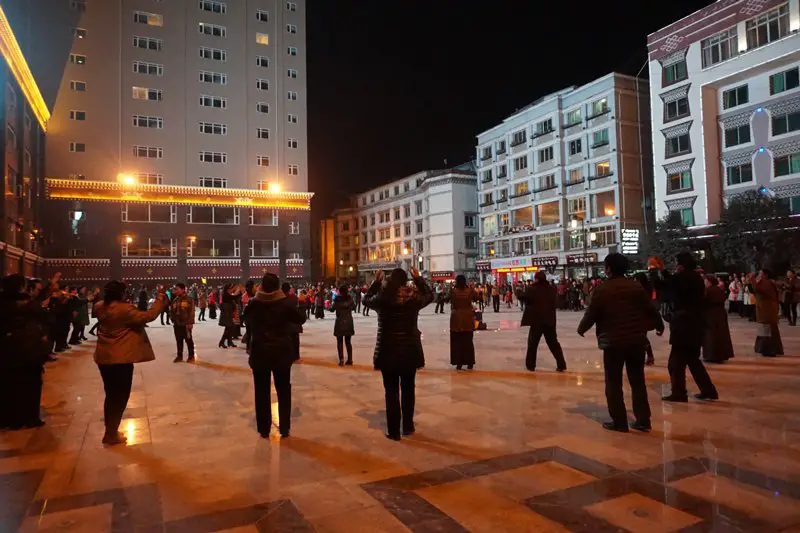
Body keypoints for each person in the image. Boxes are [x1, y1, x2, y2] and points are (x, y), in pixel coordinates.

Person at [578, 254, 664, 432]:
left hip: (613, 341)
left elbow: (591, 313)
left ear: (609, 268)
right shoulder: (636, 287)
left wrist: (582, 328)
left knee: (613, 382)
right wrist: (659, 325)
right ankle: (643, 420)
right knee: (637, 380)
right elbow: (650, 308)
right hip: (636, 340)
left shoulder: (603, 289)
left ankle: (619, 421)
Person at [93, 281, 166, 445]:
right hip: (121, 357)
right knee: (121, 395)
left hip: (104, 356)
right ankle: (111, 433)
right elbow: (148, 316)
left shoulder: (99, 306)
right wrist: (160, 298)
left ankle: (110, 431)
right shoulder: (124, 309)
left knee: (110, 394)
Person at [364, 268, 433, 440]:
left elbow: (365, 300)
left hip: (387, 351)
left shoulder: (383, 299)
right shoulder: (413, 299)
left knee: (391, 391)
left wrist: (376, 282)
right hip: (409, 351)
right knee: (408, 389)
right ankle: (408, 426)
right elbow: (430, 296)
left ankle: (394, 431)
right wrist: (418, 279)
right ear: (405, 281)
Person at [245, 273, 307, 438]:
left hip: (260, 353)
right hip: (281, 352)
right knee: (283, 390)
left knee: (261, 391)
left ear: (262, 286)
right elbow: (301, 319)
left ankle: (264, 428)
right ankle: (284, 427)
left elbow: (246, 321)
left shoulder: (253, 304)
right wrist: (300, 302)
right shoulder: (285, 304)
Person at [662, 252, 719, 402]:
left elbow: (665, 286)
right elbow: (672, 282)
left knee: (675, 362)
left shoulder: (684, 278)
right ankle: (708, 390)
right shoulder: (696, 279)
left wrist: (656, 271)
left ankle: (679, 392)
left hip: (683, 326)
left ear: (681, 265)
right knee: (693, 361)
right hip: (695, 325)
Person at [0, 274, 52, 430]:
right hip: (29, 352)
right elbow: (46, 318)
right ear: (21, 287)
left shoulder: (3, 304)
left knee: (9, 385)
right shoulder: (29, 305)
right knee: (31, 384)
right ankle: (30, 417)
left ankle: (10, 419)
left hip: (7, 352)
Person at [516, 271, 567, 372]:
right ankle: (561, 364)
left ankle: (530, 365)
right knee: (553, 343)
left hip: (537, 321)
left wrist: (518, 290)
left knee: (532, 344)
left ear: (537, 279)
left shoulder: (532, 289)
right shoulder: (551, 289)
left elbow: (523, 297)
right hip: (550, 321)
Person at [446, 275, 476, 370]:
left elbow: (446, 299)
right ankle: (470, 362)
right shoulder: (470, 291)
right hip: (468, 317)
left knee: (457, 342)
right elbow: (478, 298)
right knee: (468, 341)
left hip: (456, 318)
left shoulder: (453, 291)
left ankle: (459, 362)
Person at [702, 275, 734, 363]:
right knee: (721, 334)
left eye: (705, 281)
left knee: (711, 335)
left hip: (711, 314)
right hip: (720, 314)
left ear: (709, 281)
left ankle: (711, 355)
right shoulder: (719, 289)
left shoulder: (708, 290)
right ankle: (721, 355)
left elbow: (703, 301)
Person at [754, 269, 783, 357]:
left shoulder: (767, 283)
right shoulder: (767, 283)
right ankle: (770, 349)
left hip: (767, 311)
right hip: (766, 310)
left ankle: (769, 350)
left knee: (767, 330)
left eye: (760, 273)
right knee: (767, 329)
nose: (759, 275)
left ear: (766, 275)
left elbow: (758, 289)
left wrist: (752, 280)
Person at [170, 283, 196, 363]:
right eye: (175, 289)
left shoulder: (189, 300)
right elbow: (171, 311)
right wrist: (173, 320)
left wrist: (190, 323)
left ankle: (191, 356)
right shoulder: (175, 300)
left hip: (186, 324)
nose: (176, 291)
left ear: (183, 289)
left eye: (177, 289)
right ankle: (179, 356)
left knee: (188, 340)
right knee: (179, 340)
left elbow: (191, 312)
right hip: (177, 324)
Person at [331, 284, 355, 366]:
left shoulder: (337, 300)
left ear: (340, 292)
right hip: (348, 321)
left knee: (340, 341)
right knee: (348, 342)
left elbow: (331, 309)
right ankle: (350, 359)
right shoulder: (350, 299)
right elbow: (354, 307)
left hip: (340, 321)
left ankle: (341, 359)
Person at [281, 282, 302, 362]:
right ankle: (296, 356)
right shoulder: (294, 298)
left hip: (284, 324)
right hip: (294, 322)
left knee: (286, 341)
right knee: (295, 340)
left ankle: (287, 355)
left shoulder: (279, 299)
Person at [218, 284, 240, 348]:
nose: (232, 290)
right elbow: (233, 298)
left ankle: (229, 342)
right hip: (226, 314)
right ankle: (222, 342)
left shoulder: (228, 294)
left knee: (230, 327)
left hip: (229, 313)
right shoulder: (225, 295)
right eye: (231, 288)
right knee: (228, 328)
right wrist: (240, 293)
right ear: (228, 289)